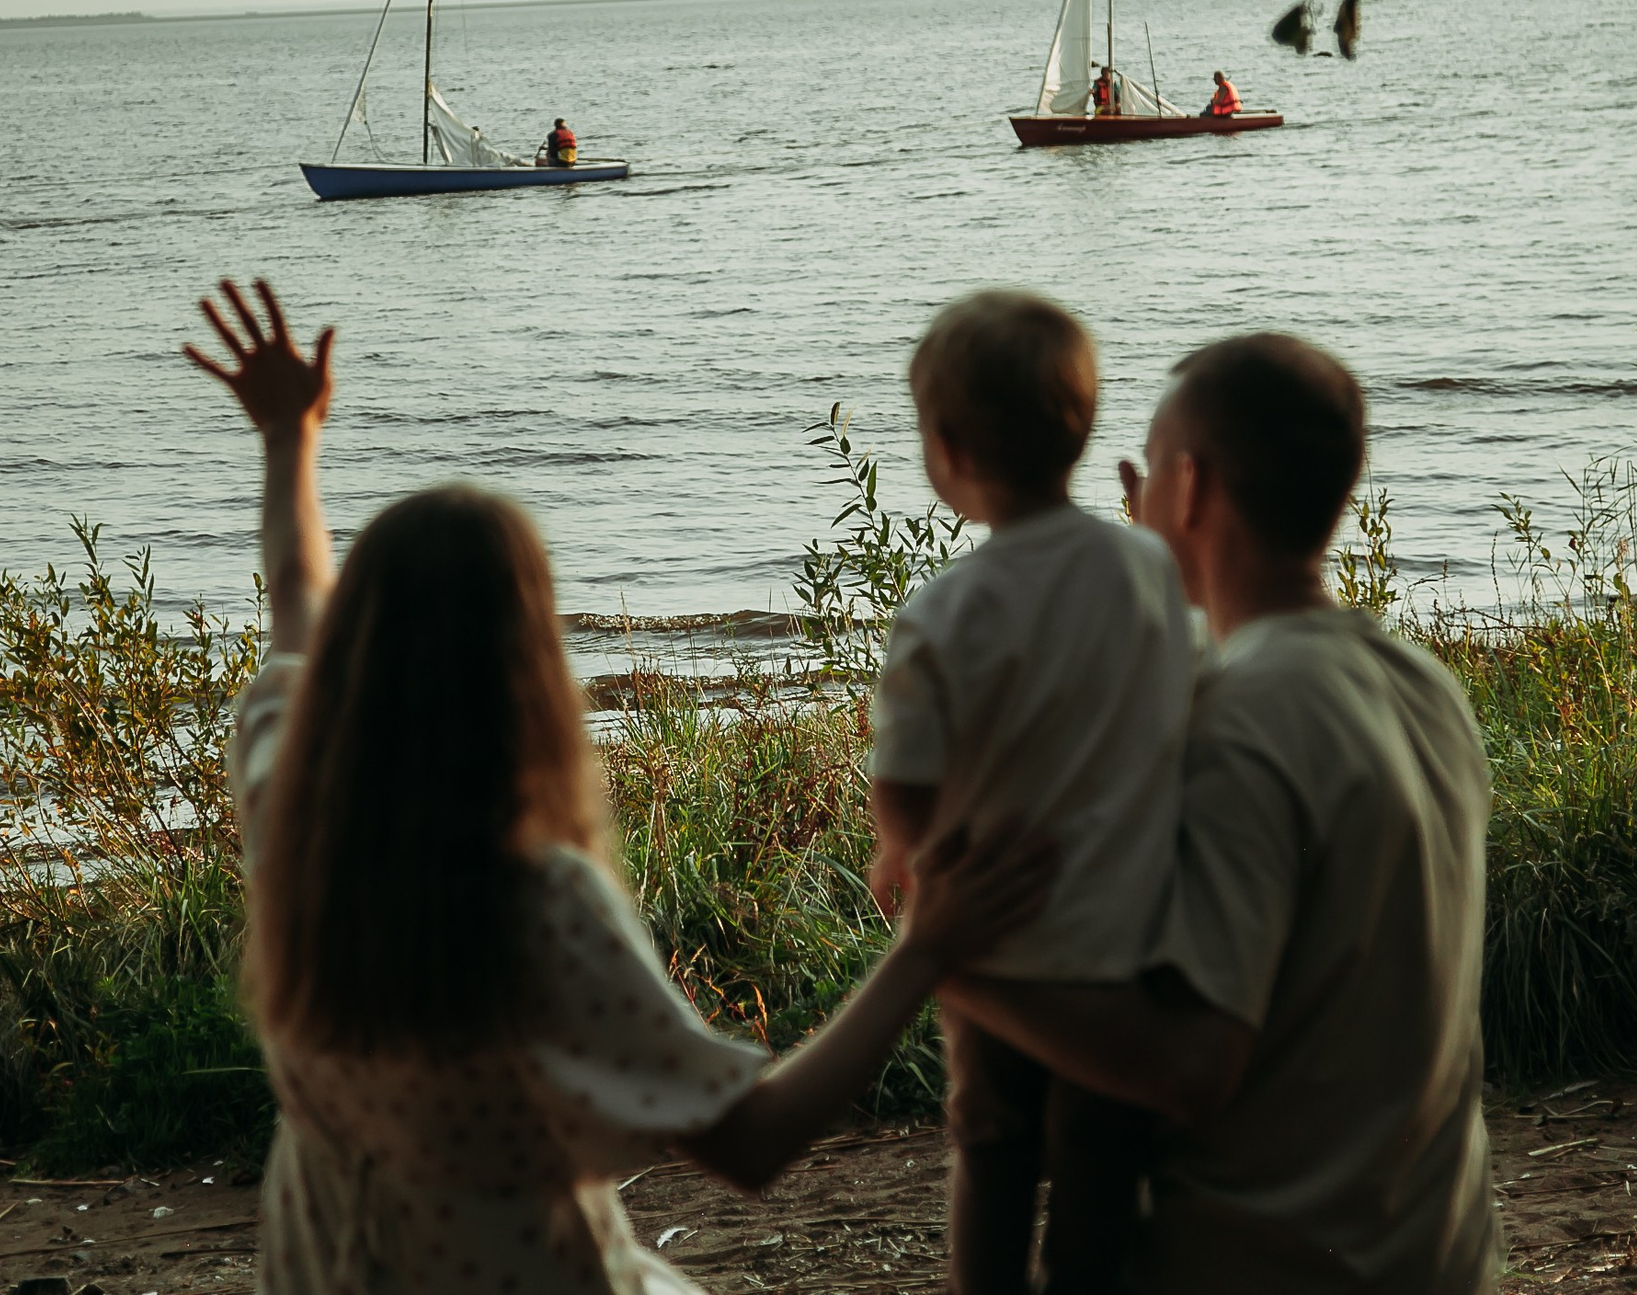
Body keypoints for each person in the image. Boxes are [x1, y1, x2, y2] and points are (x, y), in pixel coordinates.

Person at [183, 278, 1055, 1295]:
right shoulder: (537, 901)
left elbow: (296, 598)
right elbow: (747, 1143)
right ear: (527, 671)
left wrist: (290, 438)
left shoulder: (291, 811)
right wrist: (924, 950)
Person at [942, 333, 1498, 1295]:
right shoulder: (1422, 685)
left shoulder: (1237, 720)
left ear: (1192, 488)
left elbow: (1192, 1064)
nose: (1139, 497)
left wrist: (953, 958)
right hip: (1432, 1257)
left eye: (1153, 470)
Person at [869, 290, 1195, 1295]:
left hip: (997, 951)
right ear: (1081, 432)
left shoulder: (941, 616)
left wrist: (900, 863)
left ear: (949, 451)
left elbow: (904, 797)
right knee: (1107, 1160)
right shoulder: (1147, 570)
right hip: (1130, 942)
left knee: (992, 1146)